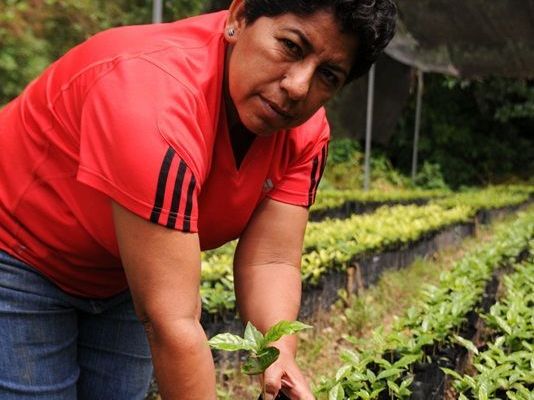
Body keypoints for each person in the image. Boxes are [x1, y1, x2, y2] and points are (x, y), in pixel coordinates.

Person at [0, 0, 396, 398]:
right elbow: (172, 321)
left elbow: (271, 259)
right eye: (291, 47)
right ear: (239, 18)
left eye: (328, 75)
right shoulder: (153, 100)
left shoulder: (305, 133)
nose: (298, 86)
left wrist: (278, 348)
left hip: (118, 274)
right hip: (20, 255)